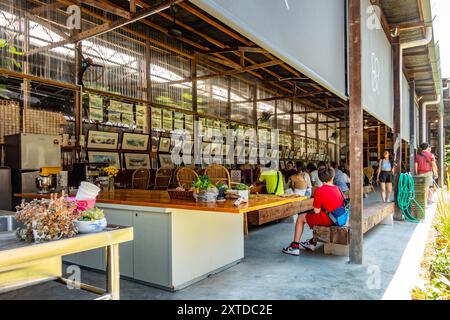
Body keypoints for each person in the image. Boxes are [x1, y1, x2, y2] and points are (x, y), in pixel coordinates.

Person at [282, 166, 344, 256]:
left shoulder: (320, 190)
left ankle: (295, 246)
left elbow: (317, 211)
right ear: (333, 177)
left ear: (319, 178)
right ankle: (312, 242)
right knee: (315, 217)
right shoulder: (338, 189)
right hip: (339, 218)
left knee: (301, 218)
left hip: (329, 219)